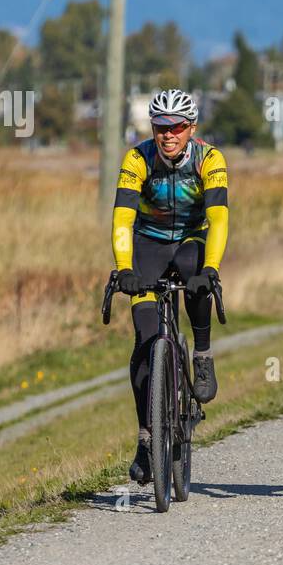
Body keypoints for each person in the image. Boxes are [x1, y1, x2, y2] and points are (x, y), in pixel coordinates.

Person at [111, 88, 229, 484]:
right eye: (160, 126)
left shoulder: (210, 159)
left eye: (177, 127)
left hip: (192, 239)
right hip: (149, 243)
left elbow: (218, 218)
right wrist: (124, 268)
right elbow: (123, 218)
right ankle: (147, 438)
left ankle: (202, 354)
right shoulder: (137, 158)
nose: (167, 134)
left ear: (191, 128)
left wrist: (211, 268)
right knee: (145, 340)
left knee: (198, 283)